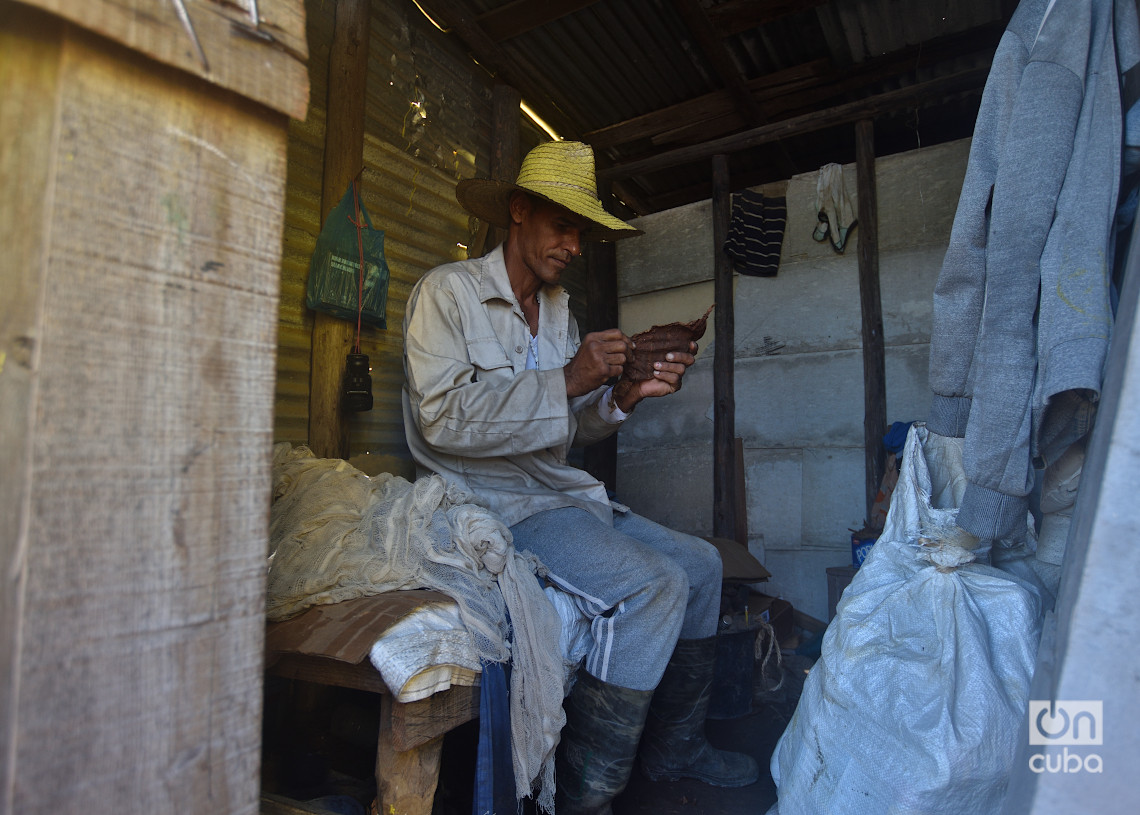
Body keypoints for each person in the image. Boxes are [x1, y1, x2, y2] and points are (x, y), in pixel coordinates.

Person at [401, 140, 757, 814]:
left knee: (705, 567)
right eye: (561, 224)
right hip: (491, 503)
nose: (572, 244)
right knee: (656, 583)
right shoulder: (447, 294)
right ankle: (585, 796)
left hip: (562, 495)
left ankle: (676, 748)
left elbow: (568, 426)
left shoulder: (558, 311)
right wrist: (567, 378)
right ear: (517, 210)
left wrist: (621, 398)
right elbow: (440, 420)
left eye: (580, 231)